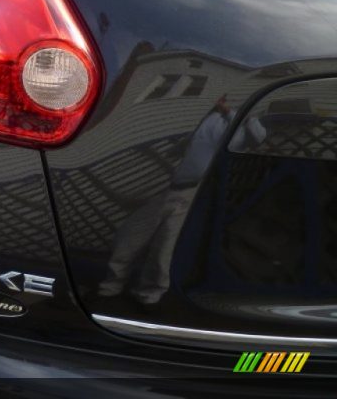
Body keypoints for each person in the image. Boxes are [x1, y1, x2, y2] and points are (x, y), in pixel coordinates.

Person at [97, 95, 266, 304]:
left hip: (192, 191)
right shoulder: (208, 117)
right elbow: (190, 142)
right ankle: (110, 288)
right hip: (166, 185)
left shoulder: (241, 127)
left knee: (165, 245)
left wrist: (231, 112)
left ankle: (149, 296)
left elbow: (258, 137)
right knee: (131, 236)